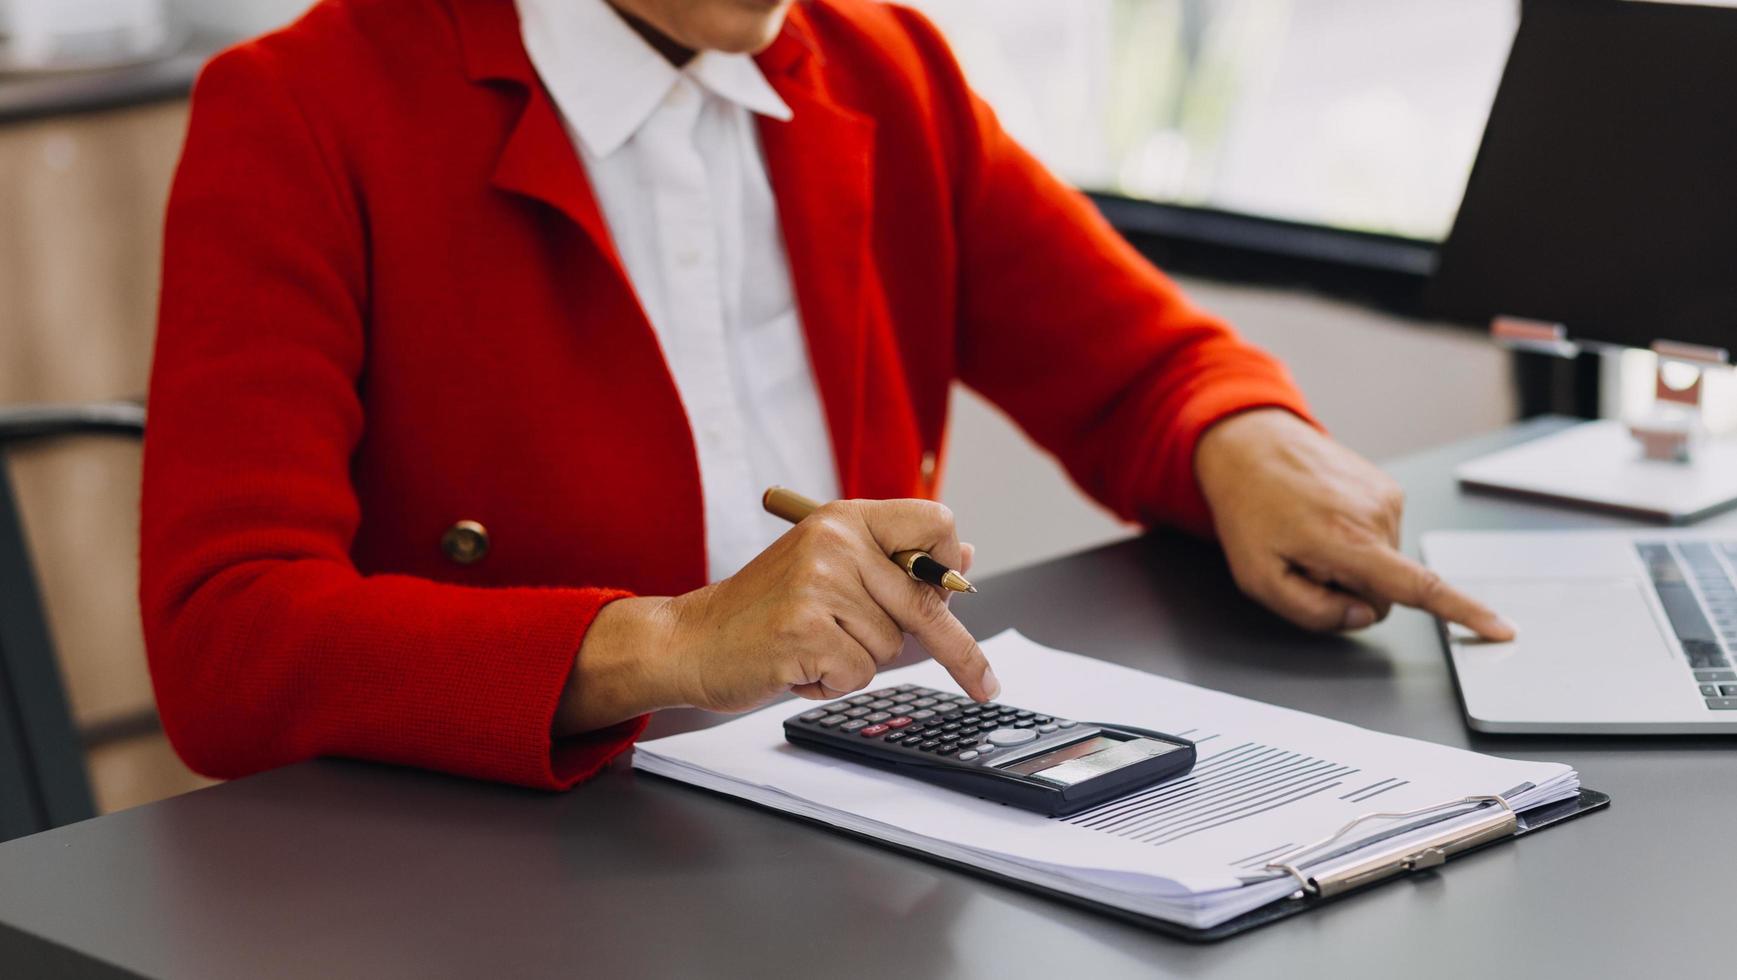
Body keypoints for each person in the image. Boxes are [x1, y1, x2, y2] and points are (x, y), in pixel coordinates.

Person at [141, 0, 1513, 791]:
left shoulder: (879, 65)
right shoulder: (303, 107)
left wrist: (1244, 441)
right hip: (502, 884)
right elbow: (224, 642)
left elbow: (1146, 366)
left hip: (857, 825)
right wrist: (673, 642)